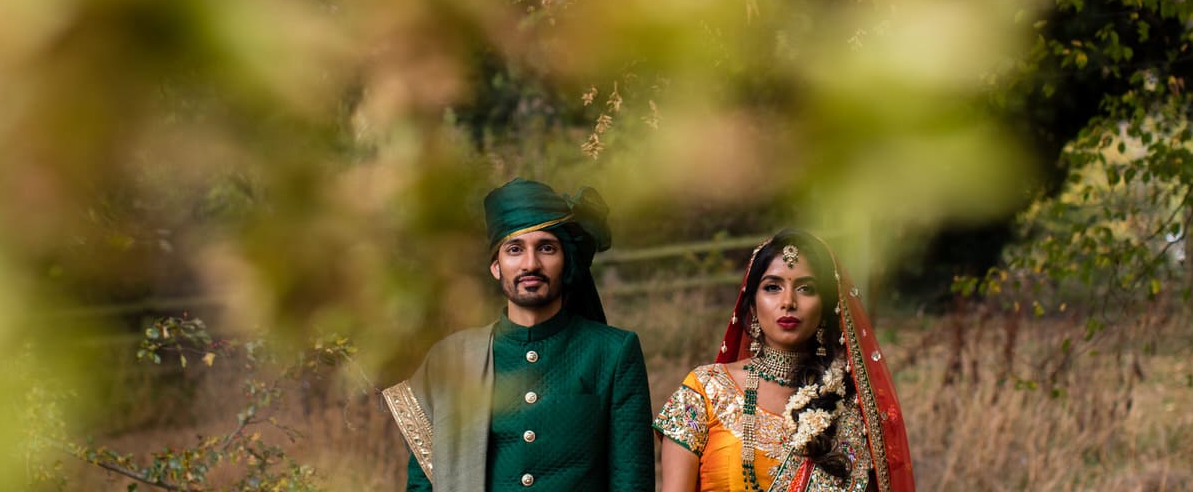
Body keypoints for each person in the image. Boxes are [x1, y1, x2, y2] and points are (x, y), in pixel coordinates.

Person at [382, 178, 655, 492]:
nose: (531, 263)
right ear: (496, 266)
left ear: (566, 260)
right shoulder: (452, 360)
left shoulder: (613, 352)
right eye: (515, 249)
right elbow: (422, 484)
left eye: (547, 248)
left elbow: (632, 483)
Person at [654, 230, 914, 492]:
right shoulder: (705, 391)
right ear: (753, 305)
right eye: (772, 287)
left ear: (826, 307)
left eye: (806, 288)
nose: (788, 302)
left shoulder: (851, 410)